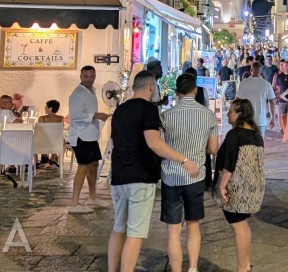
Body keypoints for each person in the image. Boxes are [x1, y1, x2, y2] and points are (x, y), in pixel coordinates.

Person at [107, 70, 198, 272]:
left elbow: (115, 143)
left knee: (118, 228)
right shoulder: (148, 110)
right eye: (155, 86)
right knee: (135, 233)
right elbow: (154, 143)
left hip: (118, 175)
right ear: (150, 86)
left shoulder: (120, 110)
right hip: (140, 176)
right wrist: (184, 159)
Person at [159, 73, 220, 272]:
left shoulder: (166, 117)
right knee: (193, 226)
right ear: (195, 90)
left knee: (173, 231)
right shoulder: (208, 115)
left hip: (171, 176)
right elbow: (212, 149)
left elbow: (160, 146)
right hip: (196, 176)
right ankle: (193, 267)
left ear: (176, 92)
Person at [217, 99, 265, 272]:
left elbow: (229, 163)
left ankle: (242, 267)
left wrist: (222, 185)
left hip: (238, 187)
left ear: (239, 114)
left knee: (238, 227)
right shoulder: (257, 134)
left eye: (230, 111)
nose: (228, 114)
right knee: (243, 225)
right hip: (254, 186)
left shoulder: (235, 134)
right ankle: (246, 264)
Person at [68, 65, 110, 213]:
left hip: (91, 135)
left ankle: (93, 196)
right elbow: (75, 115)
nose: (89, 79)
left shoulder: (91, 91)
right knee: (83, 167)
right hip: (81, 136)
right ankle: (74, 203)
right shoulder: (77, 94)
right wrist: (96, 115)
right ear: (80, 76)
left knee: (93, 165)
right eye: (86, 76)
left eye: (92, 76)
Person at [235, 62, 276, 133]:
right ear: (261, 72)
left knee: (246, 143)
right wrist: (272, 118)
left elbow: (237, 100)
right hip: (261, 120)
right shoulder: (266, 84)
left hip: (246, 120)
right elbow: (272, 101)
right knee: (259, 143)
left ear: (251, 70)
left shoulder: (244, 83)